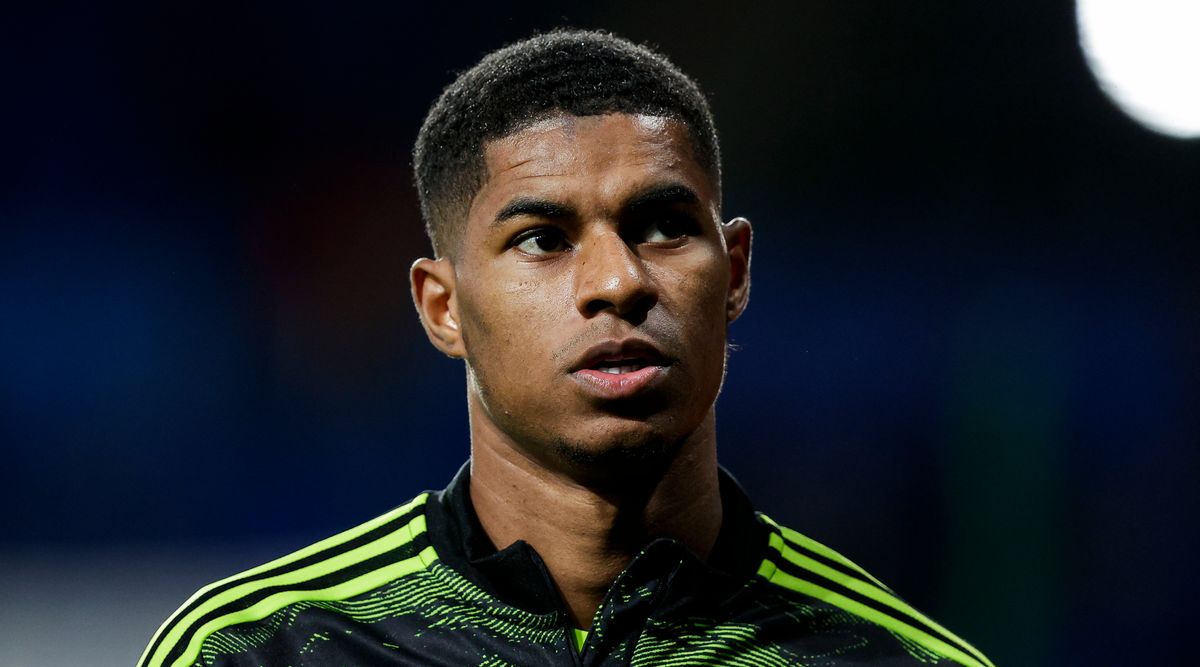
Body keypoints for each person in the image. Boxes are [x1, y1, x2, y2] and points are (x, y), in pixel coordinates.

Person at [139, 29, 994, 667]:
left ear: (733, 273)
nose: (617, 280)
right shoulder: (262, 651)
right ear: (443, 308)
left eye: (662, 226)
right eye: (544, 239)